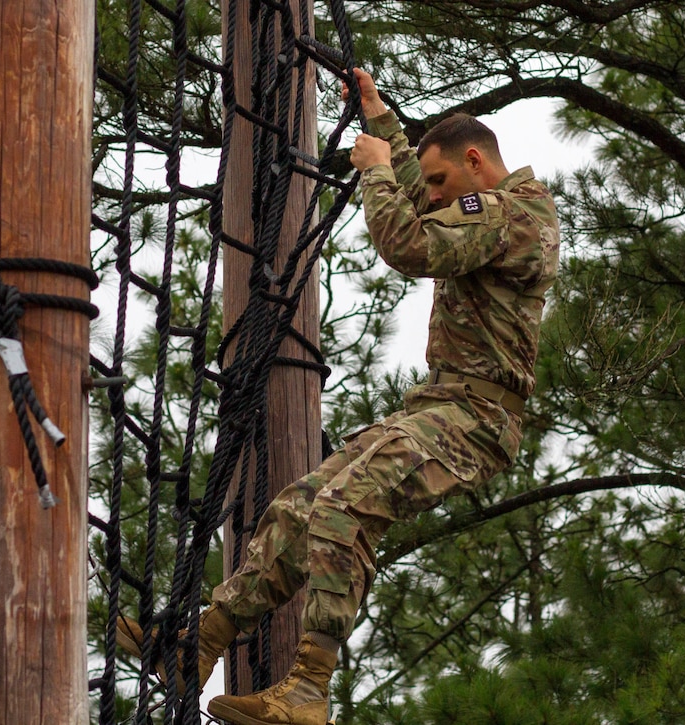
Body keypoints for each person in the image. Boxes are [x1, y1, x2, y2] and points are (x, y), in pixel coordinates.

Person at [118, 67, 561, 725]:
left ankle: (307, 691)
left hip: (478, 418)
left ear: (477, 161)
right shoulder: (480, 209)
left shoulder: (517, 215)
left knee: (346, 504)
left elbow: (409, 242)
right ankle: (201, 640)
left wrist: (378, 171)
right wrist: (381, 118)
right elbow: (421, 194)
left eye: (442, 182)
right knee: (301, 505)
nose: (432, 193)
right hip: (439, 408)